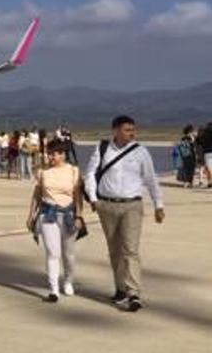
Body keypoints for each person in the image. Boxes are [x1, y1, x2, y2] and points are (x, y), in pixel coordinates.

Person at [84, 115, 164, 312]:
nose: (132, 133)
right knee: (115, 250)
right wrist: (94, 199)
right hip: (107, 206)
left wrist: (158, 204)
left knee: (130, 250)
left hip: (132, 206)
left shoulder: (141, 152)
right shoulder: (103, 149)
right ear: (115, 130)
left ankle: (134, 293)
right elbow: (90, 175)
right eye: (127, 130)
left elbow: (151, 179)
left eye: (133, 130)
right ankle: (120, 289)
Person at [26, 139, 84, 302]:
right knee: (53, 253)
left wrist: (79, 216)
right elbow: (37, 195)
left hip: (68, 215)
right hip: (48, 214)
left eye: (54, 154)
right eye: (49, 153)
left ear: (63, 154)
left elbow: (78, 197)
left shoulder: (73, 171)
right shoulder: (42, 172)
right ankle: (53, 289)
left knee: (68, 254)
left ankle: (68, 281)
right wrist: (31, 215)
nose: (50, 156)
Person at [198, 122, 212, 188]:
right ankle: (210, 182)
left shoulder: (204, 134)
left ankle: (210, 182)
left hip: (207, 152)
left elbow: (200, 142)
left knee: (208, 168)